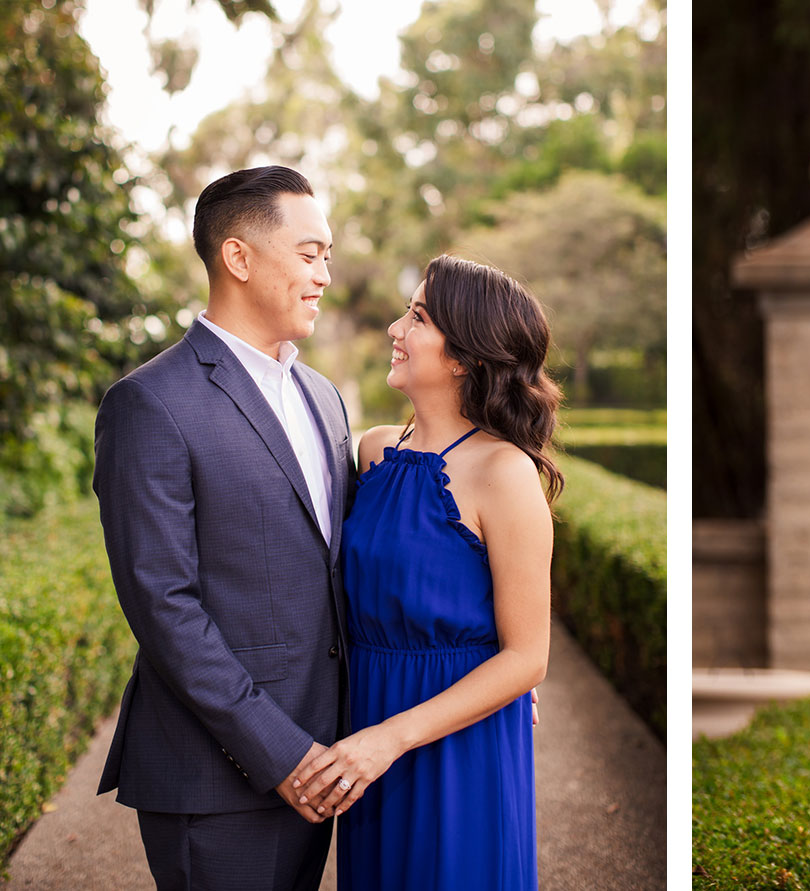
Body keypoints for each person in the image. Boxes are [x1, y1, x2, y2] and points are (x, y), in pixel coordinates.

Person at [94, 165, 350, 890]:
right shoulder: (149, 404)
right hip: (216, 777)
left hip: (323, 759)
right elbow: (164, 606)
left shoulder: (323, 397)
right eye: (309, 254)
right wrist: (281, 755)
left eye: (327, 255)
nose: (325, 274)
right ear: (237, 257)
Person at [288, 255, 561, 890]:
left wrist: (388, 739)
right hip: (371, 726)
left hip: (454, 745)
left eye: (416, 317)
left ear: (465, 356)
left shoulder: (504, 473)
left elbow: (528, 658)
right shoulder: (371, 450)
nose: (394, 328)